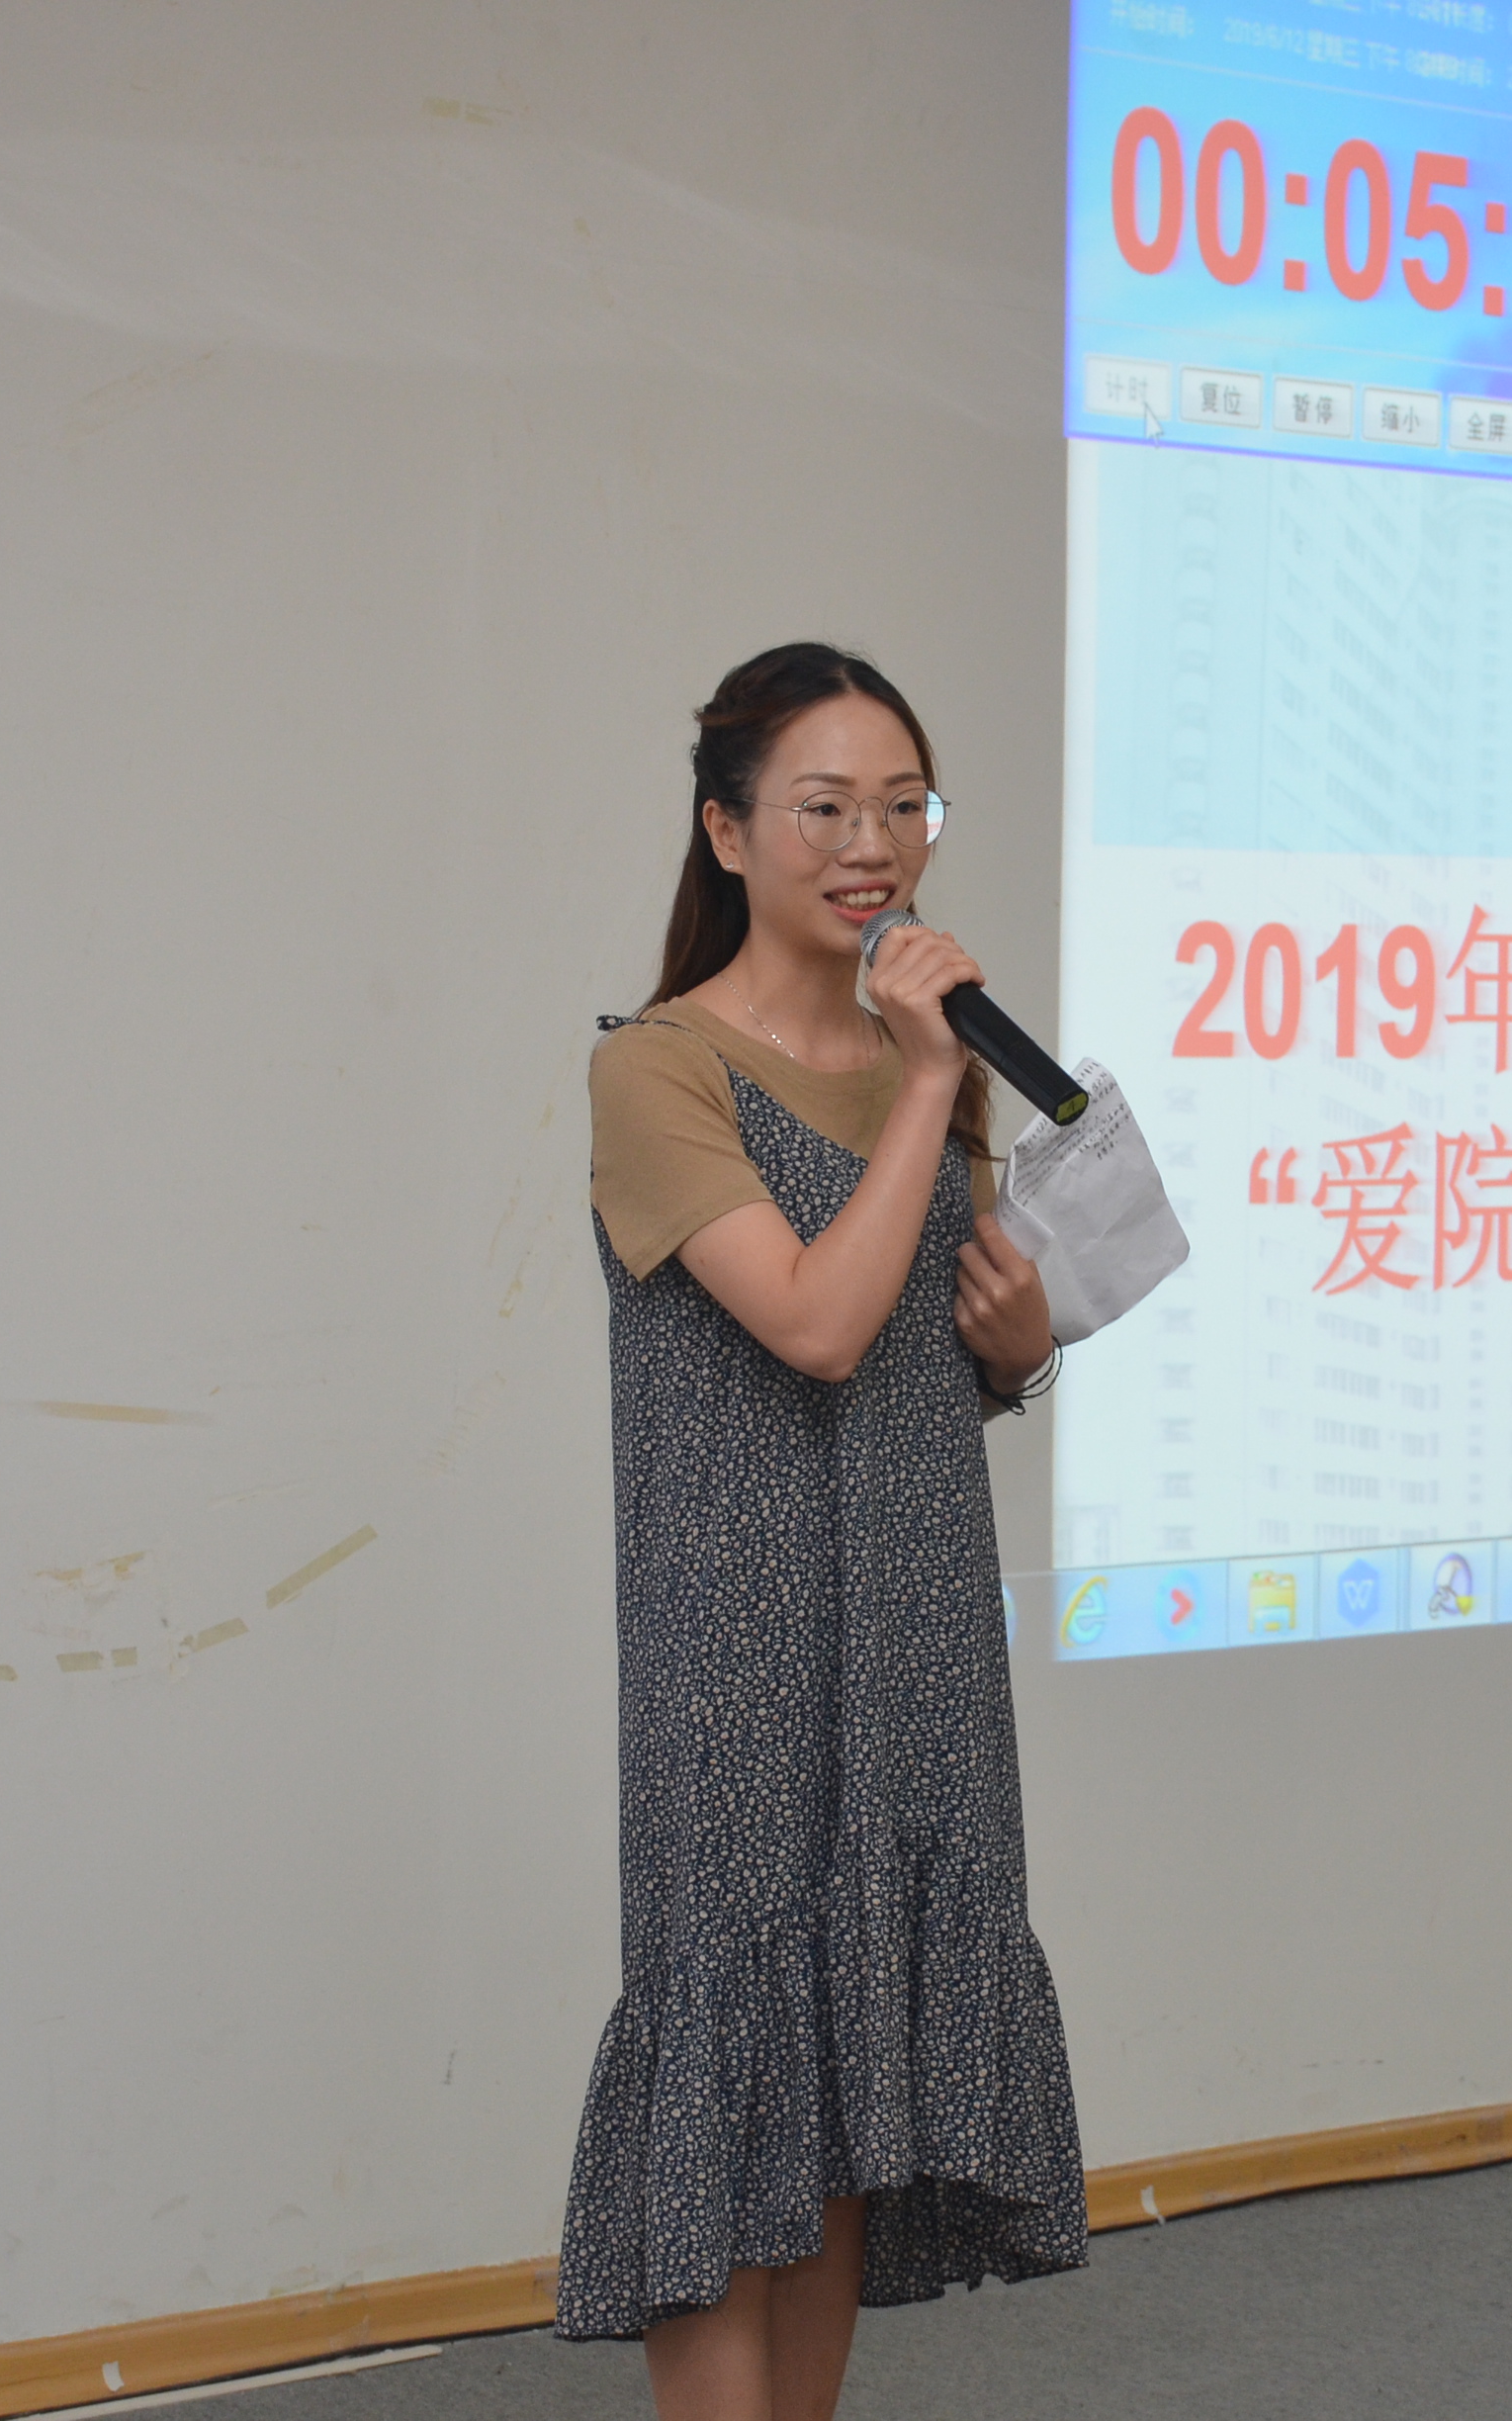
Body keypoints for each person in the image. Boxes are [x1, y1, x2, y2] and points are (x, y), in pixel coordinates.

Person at [553, 644, 1089, 2418]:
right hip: (736, 1643)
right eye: (827, 807)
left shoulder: (935, 1061)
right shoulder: (658, 1069)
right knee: (733, 2053)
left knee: (854, 2070)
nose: (875, 845)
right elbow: (815, 1323)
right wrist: (927, 1085)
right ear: (727, 831)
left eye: (906, 806)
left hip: (919, 1626)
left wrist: (1017, 1348)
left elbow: (922, 1356)